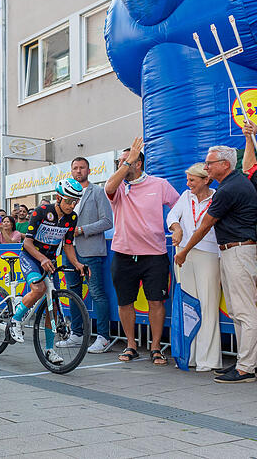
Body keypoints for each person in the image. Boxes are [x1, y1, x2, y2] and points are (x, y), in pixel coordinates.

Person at [174, 145, 257, 384]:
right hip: (232, 251)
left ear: (225, 164)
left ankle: (246, 368)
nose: (207, 166)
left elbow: (205, 225)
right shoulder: (232, 184)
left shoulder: (229, 188)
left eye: (210, 163)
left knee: (244, 311)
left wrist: (184, 252)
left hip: (239, 251)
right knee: (236, 310)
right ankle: (245, 363)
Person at [106, 138, 179, 366]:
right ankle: (131, 345)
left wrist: (175, 227)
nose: (121, 165)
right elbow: (108, 188)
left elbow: (178, 208)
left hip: (154, 255)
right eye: (119, 162)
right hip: (123, 254)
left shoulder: (159, 184)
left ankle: (155, 347)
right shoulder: (118, 187)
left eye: (125, 161)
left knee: (156, 302)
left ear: (138, 163)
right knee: (125, 302)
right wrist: (126, 163)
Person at [10, 179, 88, 365]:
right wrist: (42, 258)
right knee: (38, 289)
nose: (72, 205)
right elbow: (27, 243)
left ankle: (50, 349)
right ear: (58, 197)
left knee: (51, 305)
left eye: (75, 201)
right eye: (68, 200)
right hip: (31, 256)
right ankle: (15, 320)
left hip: (50, 261)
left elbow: (68, 245)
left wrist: (77, 264)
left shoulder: (72, 218)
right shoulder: (41, 212)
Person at [167, 163, 222, 372]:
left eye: (192, 180)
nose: (188, 184)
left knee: (207, 306)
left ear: (206, 180)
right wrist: (177, 227)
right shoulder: (185, 196)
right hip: (184, 255)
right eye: (188, 180)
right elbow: (171, 216)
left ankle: (208, 359)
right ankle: (188, 355)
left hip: (209, 254)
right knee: (189, 307)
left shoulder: (217, 197)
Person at [58, 156, 114, 354]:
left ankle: (104, 337)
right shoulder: (65, 194)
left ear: (89, 171)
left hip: (90, 251)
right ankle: (77, 334)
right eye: (75, 168)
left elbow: (107, 221)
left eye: (82, 168)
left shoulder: (98, 192)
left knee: (97, 293)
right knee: (73, 293)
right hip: (68, 250)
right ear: (71, 171)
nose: (78, 171)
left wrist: (82, 229)